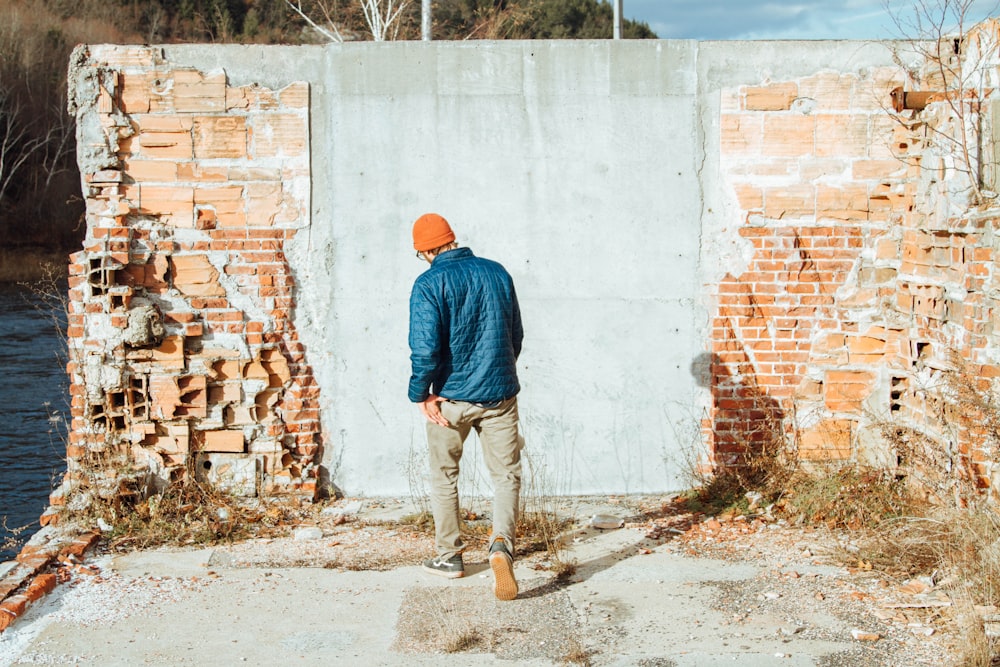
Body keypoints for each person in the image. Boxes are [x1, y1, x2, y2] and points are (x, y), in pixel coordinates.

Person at [408, 212, 524, 601]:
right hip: (500, 396)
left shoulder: (428, 283)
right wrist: (500, 373)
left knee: (444, 476)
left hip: (450, 402)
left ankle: (450, 557)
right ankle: (501, 546)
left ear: (425, 251)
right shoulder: (497, 273)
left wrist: (420, 393)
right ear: (453, 239)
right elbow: (515, 335)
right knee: (505, 475)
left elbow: (424, 349)